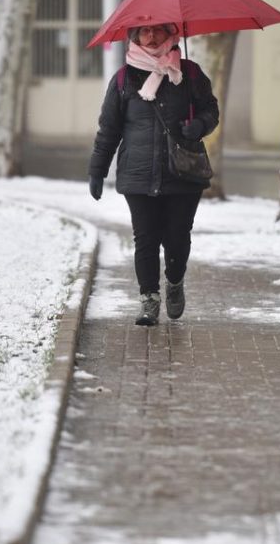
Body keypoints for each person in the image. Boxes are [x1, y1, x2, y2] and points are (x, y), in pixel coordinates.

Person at [87, 23, 219, 326]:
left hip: (182, 173)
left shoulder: (190, 73)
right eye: (144, 31)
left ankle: (174, 282)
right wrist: (97, 170)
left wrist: (199, 125)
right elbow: (109, 129)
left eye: (158, 30)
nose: (151, 36)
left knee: (176, 237)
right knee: (145, 238)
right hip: (139, 172)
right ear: (134, 37)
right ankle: (148, 299)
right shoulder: (123, 79)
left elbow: (211, 110)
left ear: (170, 34)